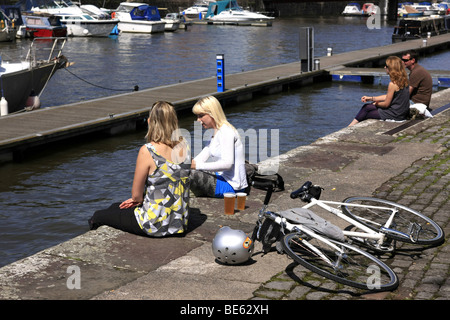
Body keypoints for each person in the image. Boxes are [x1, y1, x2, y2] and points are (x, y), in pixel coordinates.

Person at [88, 101, 191, 237]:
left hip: (154, 224)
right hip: (178, 223)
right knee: (115, 207)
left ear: (150, 122)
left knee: (98, 216)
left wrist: (137, 199)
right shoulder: (185, 145)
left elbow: (136, 195)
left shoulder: (148, 151)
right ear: (175, 121)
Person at [190, 96, 248, 198]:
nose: (198, 120)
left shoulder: (226, 132)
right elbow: (202, 157)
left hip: (231, 186)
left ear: (212, 113)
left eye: (201, 116)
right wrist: (187, 163)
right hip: (221, 178)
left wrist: (195, 166)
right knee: (181, 169)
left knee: (187, 173)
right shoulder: (215, 133)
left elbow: (227, 164)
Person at [348, 56, 410, 126]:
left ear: (391, 69)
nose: (384, 67)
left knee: (366, 113)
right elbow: (388, 96)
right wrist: (371, 98)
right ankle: (351, 126)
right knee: (367, 107)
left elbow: (386, 104)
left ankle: (350, 127)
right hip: (401, 113)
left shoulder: (393, 84)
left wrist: (376, 104)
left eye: (386, 66)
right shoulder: (404, 81)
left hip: (394, 115)